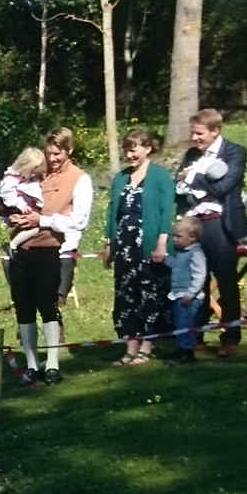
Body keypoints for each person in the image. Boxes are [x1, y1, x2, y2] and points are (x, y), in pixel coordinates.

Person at [176, 107, 247, 352]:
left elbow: (224, 188)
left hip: (220, 223)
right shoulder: (191, 154)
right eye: (193, 133)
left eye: (199, 134)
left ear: (215, 131)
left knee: (226, 281)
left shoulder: (235, 152)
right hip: (194, 222)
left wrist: (192, 178)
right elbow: (178, 182)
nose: (195, 139)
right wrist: (186, 180)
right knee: (197, 281)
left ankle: (231, 338)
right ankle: (196, 335)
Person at [0, 146, 64, 386]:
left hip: (46, 248)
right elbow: (1, 204)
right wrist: (9, 215)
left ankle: (53, 364)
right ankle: (32, 364)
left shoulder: (56, 180)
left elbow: (61, 212)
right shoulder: (12, 180)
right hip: (22, 253)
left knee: (47, 304)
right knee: (24, 308)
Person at [106, 132, 175, 364]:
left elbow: (167, 211)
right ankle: (130, 347)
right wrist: (109, 243)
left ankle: (147, 346)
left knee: (150, 296)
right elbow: (111, 212)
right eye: (127, 150)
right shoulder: (120, 178)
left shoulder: (160, 176)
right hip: (124, 246)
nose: (130, 154)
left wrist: (162, 242)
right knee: (126, 296)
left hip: (149, 244)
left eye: (134, 149)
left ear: (147, 148)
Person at [36, 129, 94, 377]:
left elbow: (78, 221)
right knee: (34, 301)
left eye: (57, 154)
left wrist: (46, 220)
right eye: (49, 153)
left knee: (52, 300)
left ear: (69, 151)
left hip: (63, 248)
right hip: (36, 246)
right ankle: (40, 353)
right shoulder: (41, 175)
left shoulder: (80, 179)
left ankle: (52, 358)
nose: (52, 159)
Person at [163, 213, 210, 360]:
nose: (174, 239)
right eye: (174, 236)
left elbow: (200, 275)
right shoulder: (181, 253)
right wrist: (164, 259)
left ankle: (187, 351)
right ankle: (182, 347)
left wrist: (190, 294)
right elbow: (177, 266)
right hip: (178, 295)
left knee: (185, 323)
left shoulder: (196, 254)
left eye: (178, 236)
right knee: (179, 323)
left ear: (192, 237)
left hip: (189, 297)